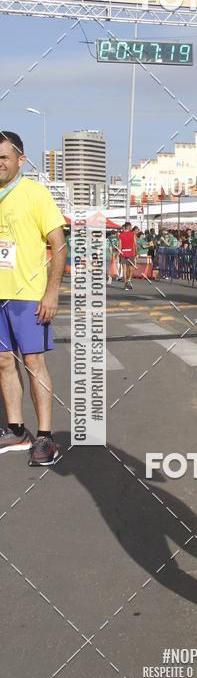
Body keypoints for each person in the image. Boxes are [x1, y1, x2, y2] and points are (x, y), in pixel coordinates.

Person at [0, 131, 66, 466]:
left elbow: (59, 243)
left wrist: (51, 291)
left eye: (4, 158)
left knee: (33, 363)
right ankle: (16, 428)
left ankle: (46, 437)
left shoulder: (35, 194)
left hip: (27, 296)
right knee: (2, 362)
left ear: (20, 160)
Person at [119, 221, 136, 290]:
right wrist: (136, 253)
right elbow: (135, 244)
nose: (131, 228)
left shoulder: (121, 235)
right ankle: (129, 280)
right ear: (128, 227)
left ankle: (126, 283)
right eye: (131, 226)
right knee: (131, 267)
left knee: (124, 268)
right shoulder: (132, 234)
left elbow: (120, 245)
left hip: (123, 252)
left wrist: (119, 253)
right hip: (130, 252)